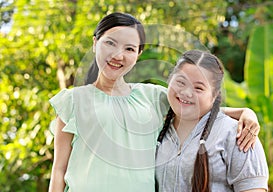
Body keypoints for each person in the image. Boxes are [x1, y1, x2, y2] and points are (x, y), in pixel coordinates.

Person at [48, 12, 261, 192]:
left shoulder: (151, 96)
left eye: (129, 49)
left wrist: (245, 112)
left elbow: (197, 107)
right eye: (110, 43)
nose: (118, 55)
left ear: (139, 54)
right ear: (95, 43)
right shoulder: (72, 100)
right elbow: (59, 169)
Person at [155, 50, 269, 192]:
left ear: (214, 95)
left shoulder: (239, 135)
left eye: (198, 88)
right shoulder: (157, 129)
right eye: (181, 82)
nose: (186, 92)